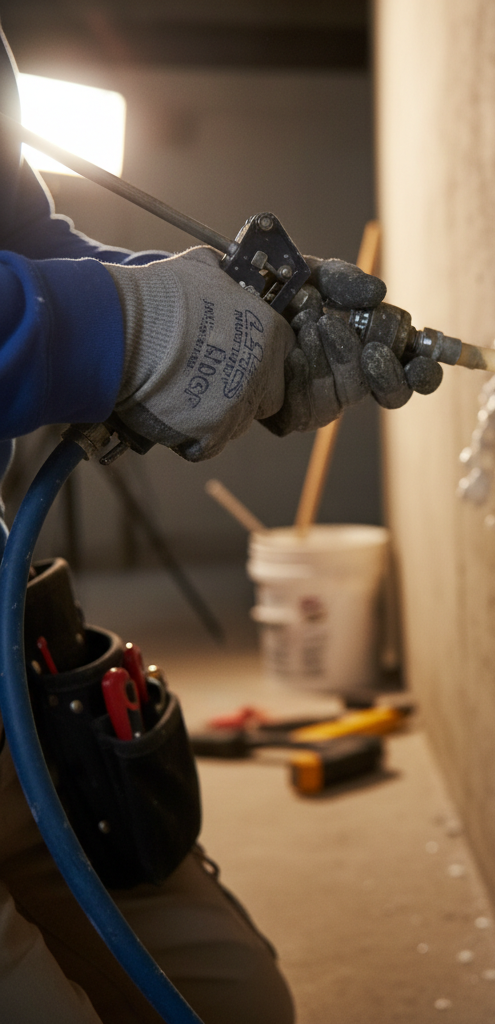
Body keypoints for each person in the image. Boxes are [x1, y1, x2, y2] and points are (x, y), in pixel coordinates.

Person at [0, 25, 437, 1024]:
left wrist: (218, 314)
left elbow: (27, 246)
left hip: (5, 674)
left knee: (232, 1001)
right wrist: (127, 330)